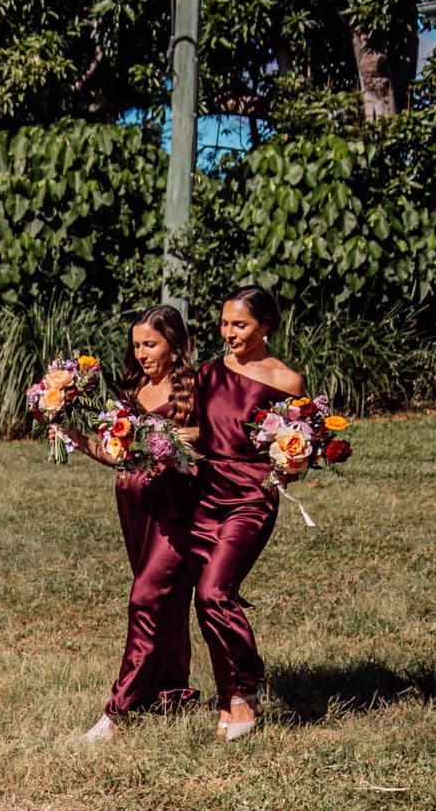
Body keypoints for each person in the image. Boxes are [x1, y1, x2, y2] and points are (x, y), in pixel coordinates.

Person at [78, 306, 203, 740]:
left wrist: (169, 440)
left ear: (174, 345)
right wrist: (77, 439)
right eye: (136, 345)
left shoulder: (192, 389)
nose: (142, 353)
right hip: (135, 509)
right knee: (163, 605)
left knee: (145, 598)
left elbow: (206, 441)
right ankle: (169, 693)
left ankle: (119, 708)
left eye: (150, 344)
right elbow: (117, 456)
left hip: (174, 513)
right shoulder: (133, 391)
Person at [190, 286, 304, 741]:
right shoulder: (208, 373)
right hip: (204, 493)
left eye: (240, 325)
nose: (229, 333)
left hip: (250, 496)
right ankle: (230, 697)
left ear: (265, 327)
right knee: (207, 599)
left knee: (215, 591)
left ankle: (249, 681)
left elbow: (297, 452)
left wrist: (292, 464)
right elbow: (198, 431)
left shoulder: (286, 382)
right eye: (224, 323)